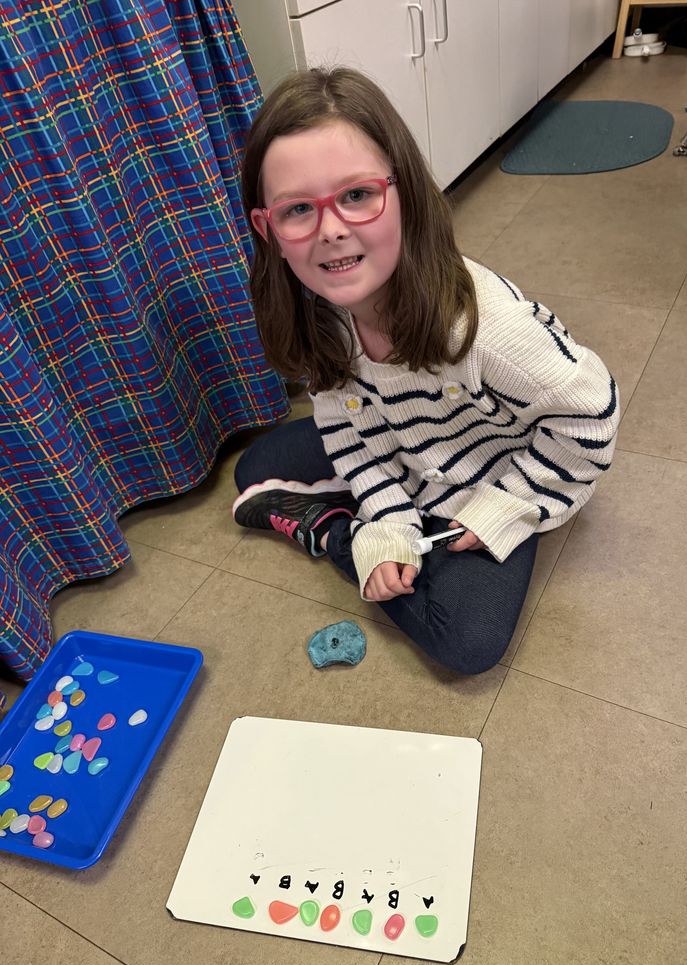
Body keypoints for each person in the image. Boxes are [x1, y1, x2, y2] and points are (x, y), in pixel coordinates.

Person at [233, 67, 619, 675]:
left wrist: (505, 508)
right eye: (298, 209)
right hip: (408, 446)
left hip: (493, 474)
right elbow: (347, 429)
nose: (332, 230)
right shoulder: (321, 311)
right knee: (253, 467)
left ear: (405, 194)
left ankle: (334, 533)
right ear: (270, 231)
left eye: (357, 195)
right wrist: (387, 519)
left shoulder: (489, 329)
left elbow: (592, 419)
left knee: (467, 644)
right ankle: (356, 522)